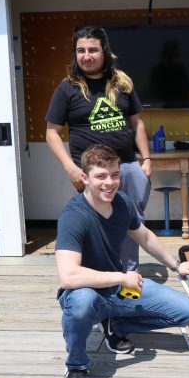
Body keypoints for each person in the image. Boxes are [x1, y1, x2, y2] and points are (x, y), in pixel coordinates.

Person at [55, 144, 189, 378]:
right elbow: (68, 277)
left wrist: (176, 265)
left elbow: (144, 236)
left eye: (115, 175)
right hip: (84, 291)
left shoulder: (122, 202)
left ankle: (115, 323)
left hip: (116, 290)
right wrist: (122, 278)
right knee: (81, 304)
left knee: (185, 312)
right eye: (100, 176)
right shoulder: (73, 216)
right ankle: (77, 367)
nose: (109, 183)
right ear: (84, 178)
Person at [45, 26, 151, 273]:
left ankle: (130, 276)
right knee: (93, 223)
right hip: (91, 173)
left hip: (127, 166)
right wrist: (70, 168)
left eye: (93, 49)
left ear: (104, 51)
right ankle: (101, 277)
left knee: (132, 222)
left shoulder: (122, 82)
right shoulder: (67, 88)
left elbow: (137, 122)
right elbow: (52, 132)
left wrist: (145, 160)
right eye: (81, 50)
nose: (86, 55)